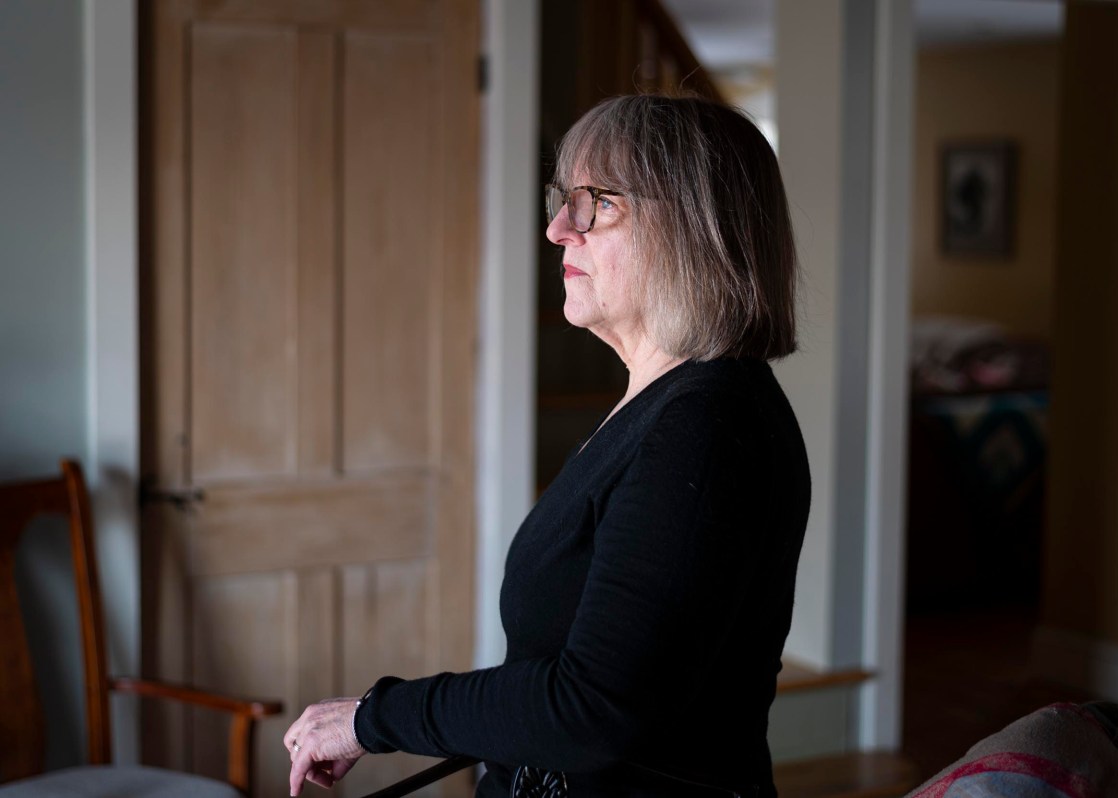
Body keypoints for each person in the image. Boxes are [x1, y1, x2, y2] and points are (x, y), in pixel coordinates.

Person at [284, 93, 812, 798]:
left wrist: (373, 719)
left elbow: (595, 707)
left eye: (595, 203)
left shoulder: (708, 429)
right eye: (562, 199)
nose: (559, 228)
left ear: (692, 227)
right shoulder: (663, 407)